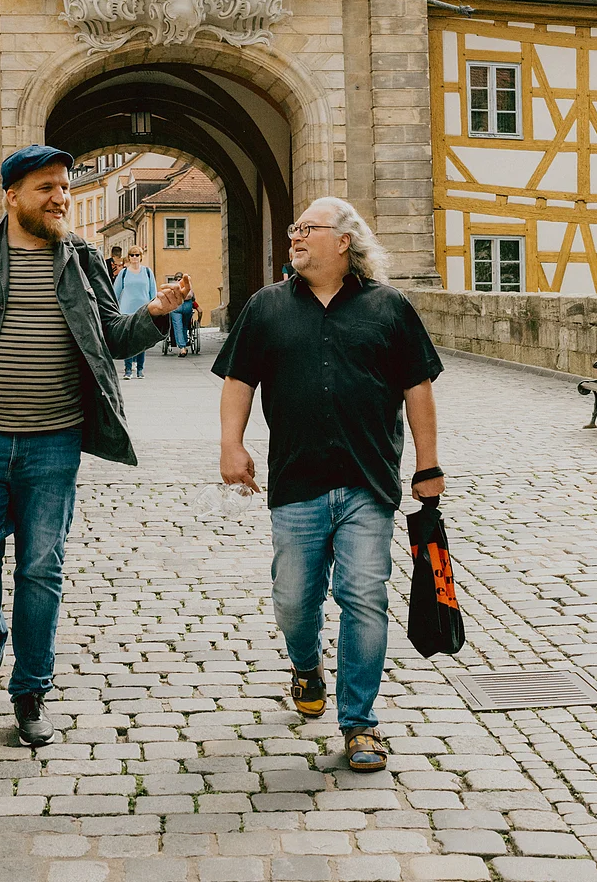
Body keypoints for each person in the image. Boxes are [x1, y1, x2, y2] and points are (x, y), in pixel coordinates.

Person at [0, 144, 189, 746]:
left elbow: (112, 337)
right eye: (46, 188)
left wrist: (158, 313)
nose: (61, 198)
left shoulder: (82, 257)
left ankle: (31, 689)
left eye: (64, 187)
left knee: (41, 567)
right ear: (12, 196)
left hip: (54, 441)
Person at [213, 197, 445, 773]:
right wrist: (231, 444)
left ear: (344, 241)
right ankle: (306, 663)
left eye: (307, 229)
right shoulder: (267, 307)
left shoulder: (389, 308)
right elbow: (239, 379)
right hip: (297, 481)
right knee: (295, 598)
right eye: (294, 229)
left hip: (369, 481)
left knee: (363, 598)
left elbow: (419, 390)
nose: (295, 237)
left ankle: (361, 724)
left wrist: (428, 464)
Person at [113, 247, 157, 378]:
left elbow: (153, 292)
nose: (134, 257)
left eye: (136, 255)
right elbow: (116, 291)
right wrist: (114, 308)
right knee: (128, 340)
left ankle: (140, 369)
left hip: (143, 310)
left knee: (141, 340)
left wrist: (153, 309)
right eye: (131, 255)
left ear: (141, 256)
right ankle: (127, 369)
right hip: (126, 310)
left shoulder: (147, 272)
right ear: (129, 257)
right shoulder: (124, 273)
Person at [167, 279, 199, 353]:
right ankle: (185, 342)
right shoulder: (188, 286)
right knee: (185, 325)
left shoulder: (173, 285)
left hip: (176, 306)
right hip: (188, 305)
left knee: (178, 326)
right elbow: (193, 298)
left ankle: (182, 347)